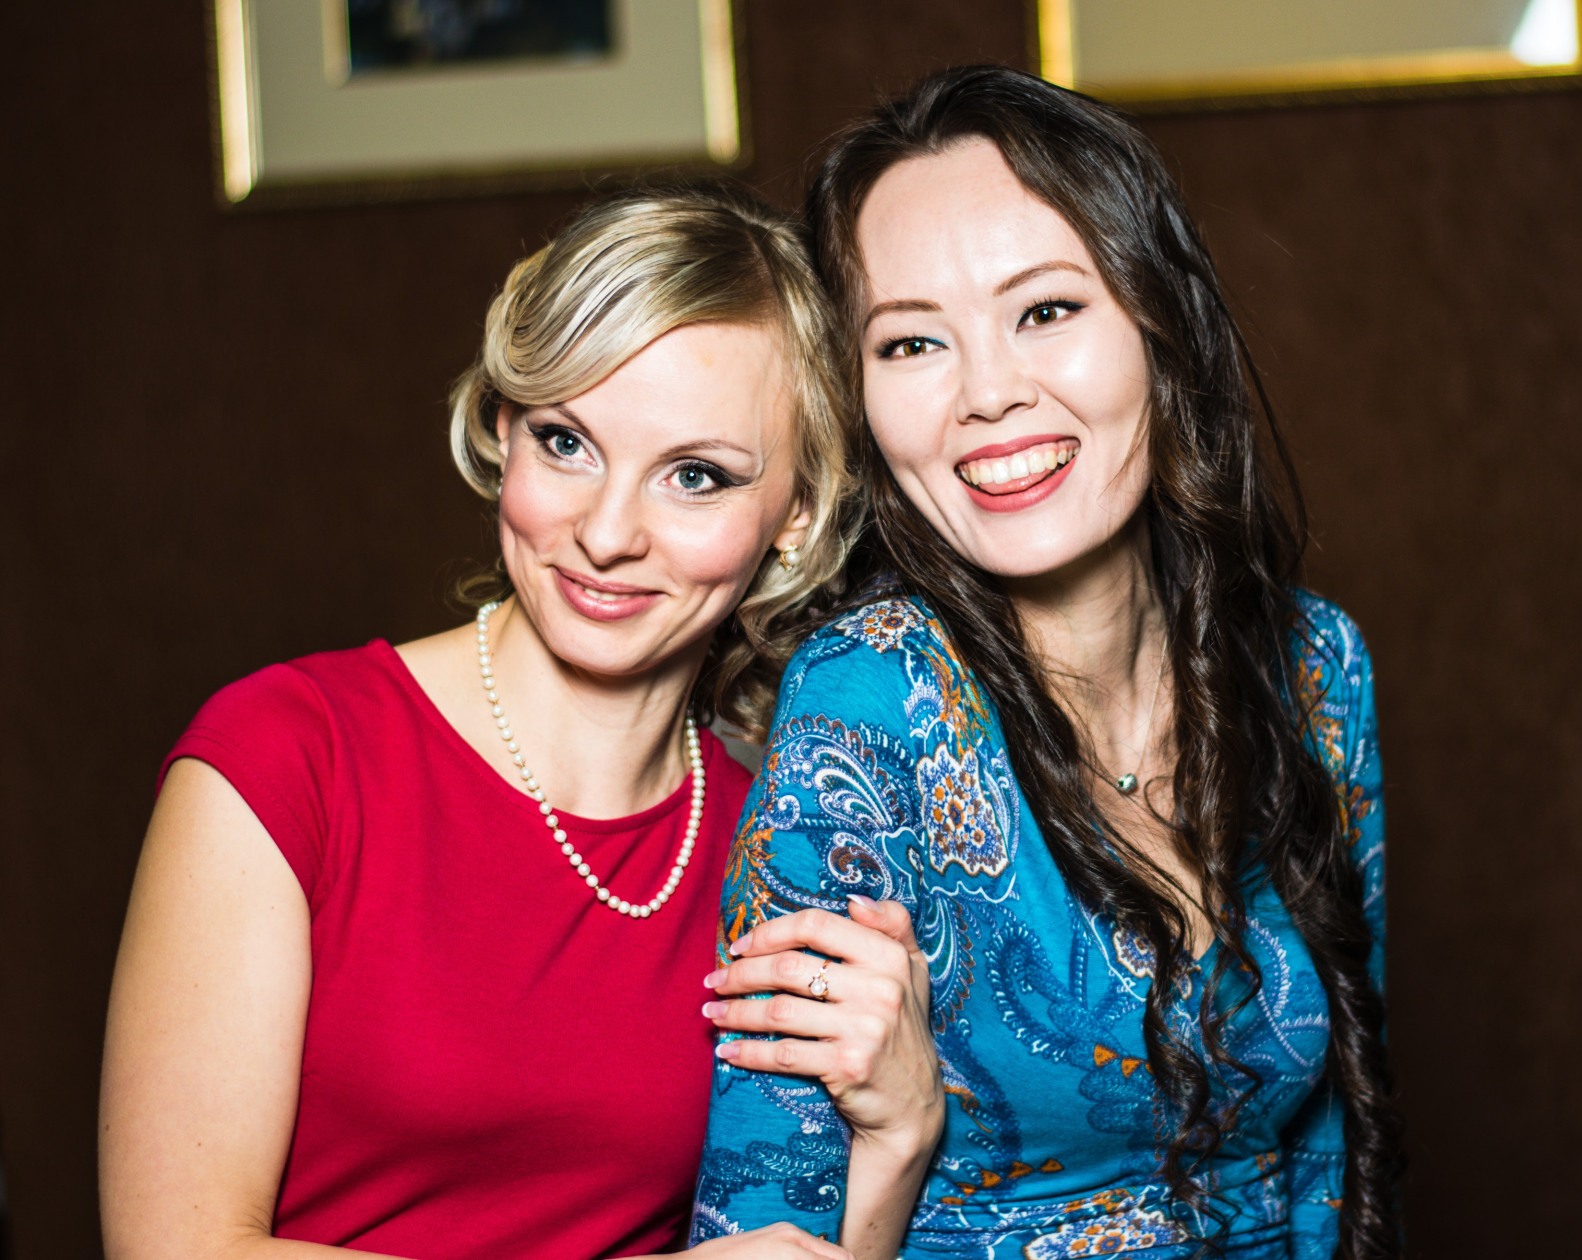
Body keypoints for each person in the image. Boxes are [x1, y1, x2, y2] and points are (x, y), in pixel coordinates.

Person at [100, 186, 944, 1260]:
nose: (606, 533)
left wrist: (901, 1137)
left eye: (695, 476)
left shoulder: (777, 842)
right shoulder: (287, 756)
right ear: (505, 432)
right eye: (567, 442)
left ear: (799, 517)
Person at [692, 67, 1402, 1258]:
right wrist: (900, 1133)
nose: (988, 395)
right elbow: (759, 1232)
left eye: (1046, 311)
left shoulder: (1313, 668)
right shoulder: (866, 710)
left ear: (1162, 324)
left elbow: (1335, 1162)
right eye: (912, 341)